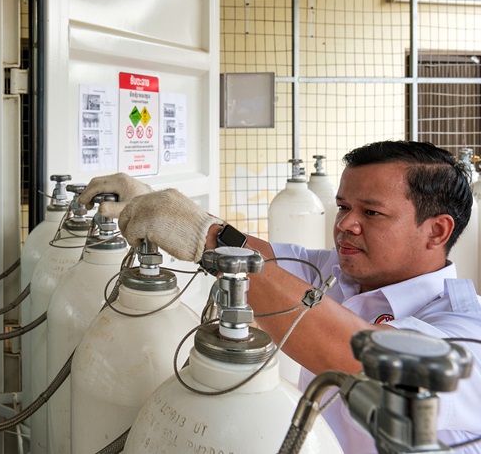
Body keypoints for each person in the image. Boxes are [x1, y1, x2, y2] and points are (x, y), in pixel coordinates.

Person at [78, 140, 481, 453]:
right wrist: (158, 206)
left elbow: (365, 362)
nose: (345, 225)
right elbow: (260, 256)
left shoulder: (465, 335)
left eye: (371, 213)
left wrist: (204, 236)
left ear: (437, 231)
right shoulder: (338, 274)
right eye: (342, 206)